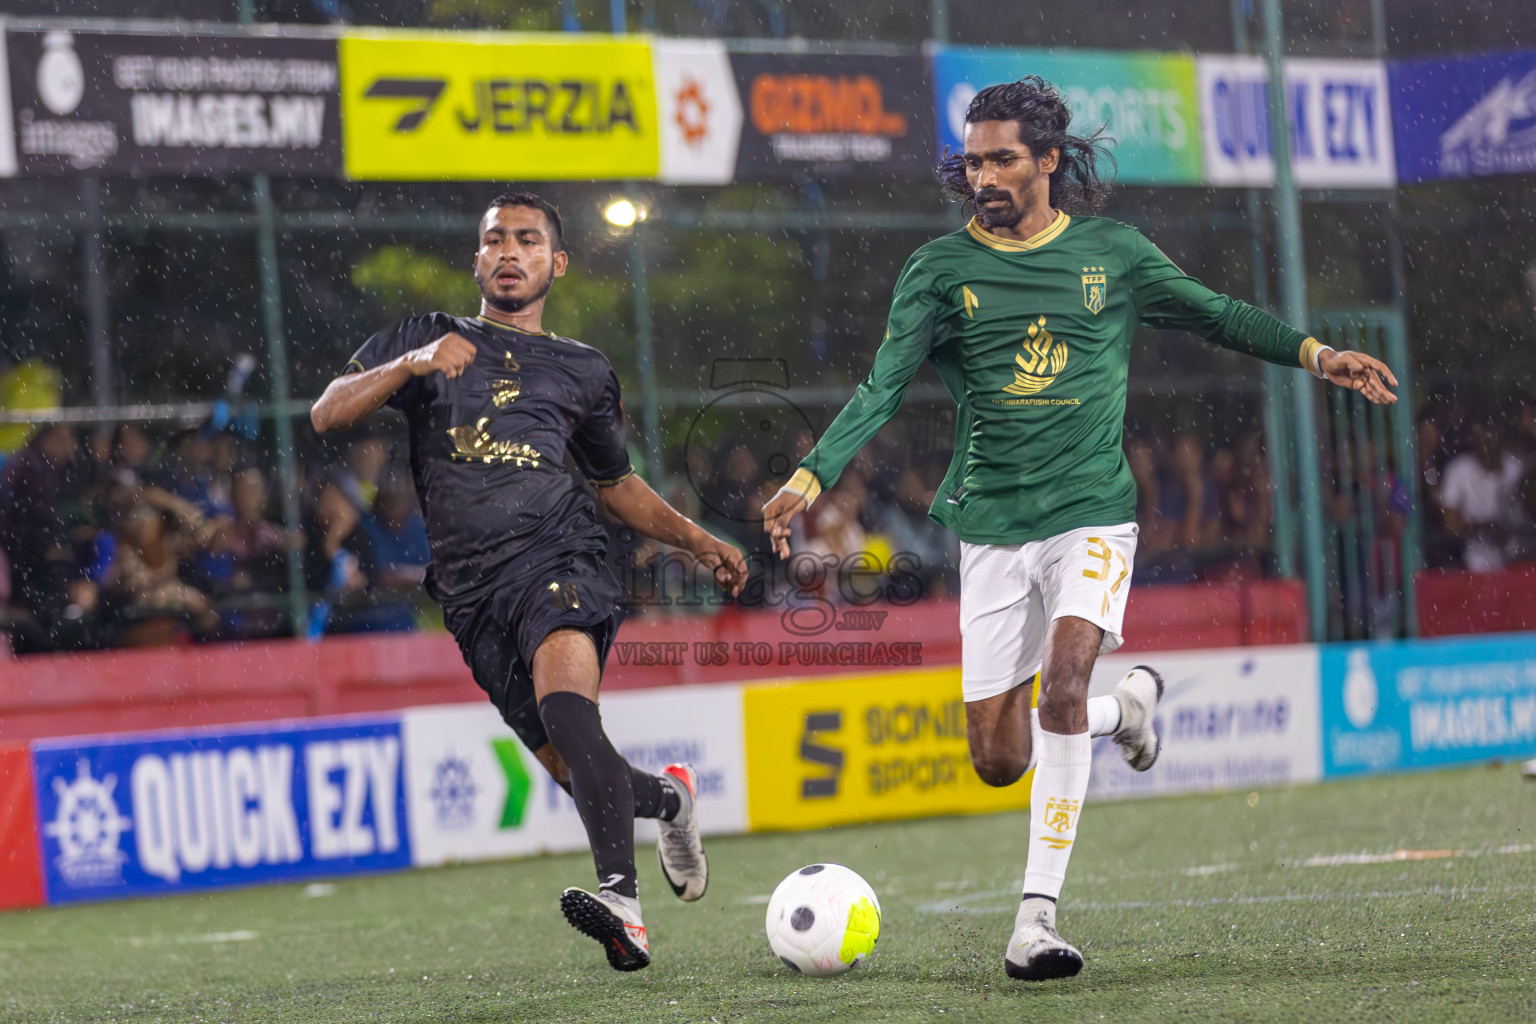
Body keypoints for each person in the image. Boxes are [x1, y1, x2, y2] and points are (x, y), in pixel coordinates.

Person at [761, 77, 1399, 982]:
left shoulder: (1115, 254)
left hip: (1093, 513)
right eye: (973, 158)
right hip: (990, 527)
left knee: (1060, 683)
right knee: (997, 758)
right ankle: (1126, 710)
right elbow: (883, 386)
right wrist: (810, 471)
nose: (982, 174)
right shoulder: (939, 271)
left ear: (1049, 159)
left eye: (1002, 158)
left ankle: (1035, 922)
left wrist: (1317, 354)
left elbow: (1218, 314)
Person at [310, 191, 747, 972]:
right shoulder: (424, 339)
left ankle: (622, 903)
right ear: (477, 258)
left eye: (528, 240)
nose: (509, 252)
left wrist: (697, 538)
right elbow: (326, 412)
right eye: (495, 240)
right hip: (472, 594)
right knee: (574, 766)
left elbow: (616, 483)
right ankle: (671, 801)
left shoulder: (583, 368)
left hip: (563, 557)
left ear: (557, 262)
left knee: (568, 711)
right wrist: (409, 365)